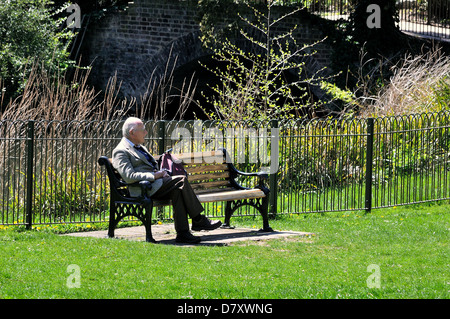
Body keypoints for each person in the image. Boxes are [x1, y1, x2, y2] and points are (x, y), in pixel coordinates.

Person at [112, 117, 222, 244]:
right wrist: (155, 176)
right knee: (180, 180)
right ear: (132, 132)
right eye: (143, 130)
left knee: (178, 191)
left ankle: (183, 234)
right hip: (143, 189)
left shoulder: (139, 147)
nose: (146, 133)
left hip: (157, 185)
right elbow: (129, 176)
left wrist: (162, 172)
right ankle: (198, 219)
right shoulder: (120, 151)